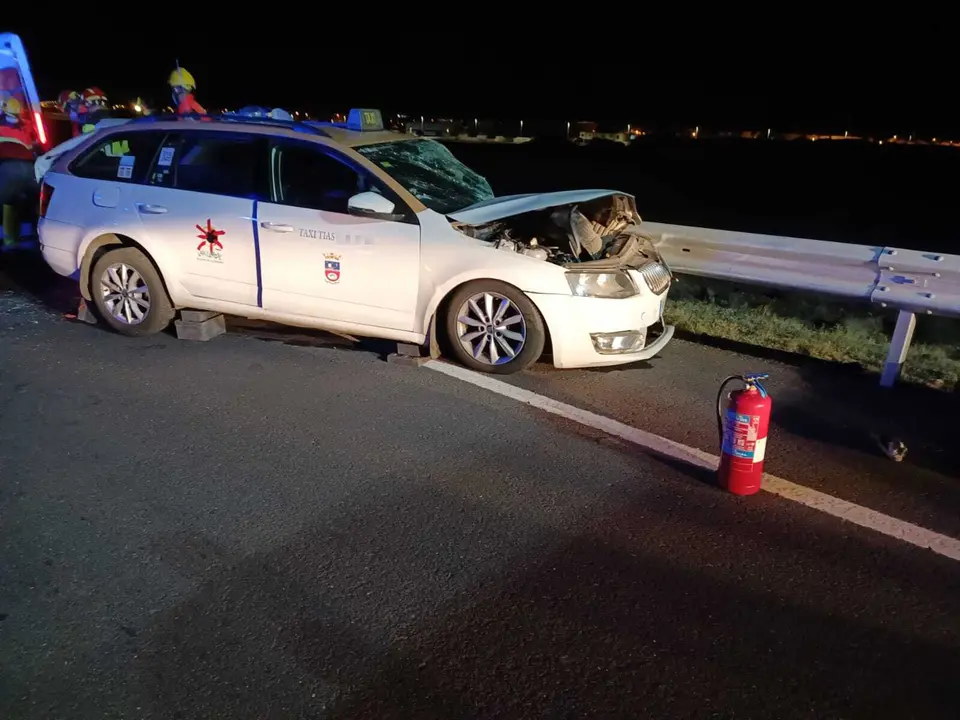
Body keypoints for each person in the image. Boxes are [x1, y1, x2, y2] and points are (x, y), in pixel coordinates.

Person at [0, 97, 38, 247]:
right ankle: (38, 237)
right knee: (30, 203)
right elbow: (31, 148)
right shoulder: (25, 128)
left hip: (8, 168)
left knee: (8, 203)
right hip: (28, 169)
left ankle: (10, 241)